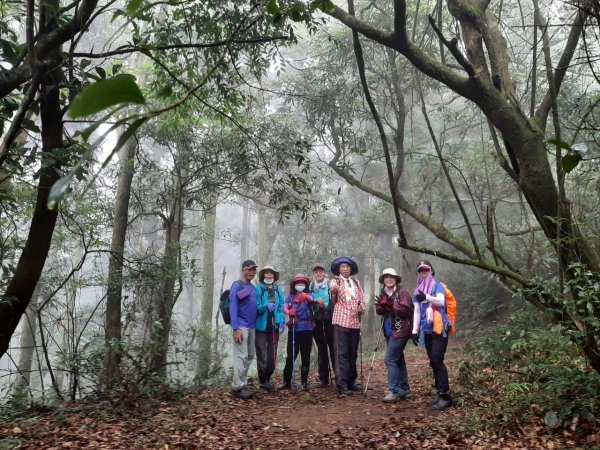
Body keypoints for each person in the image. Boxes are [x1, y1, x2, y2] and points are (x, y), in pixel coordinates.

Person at [411, 259, 453, 410]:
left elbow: (441, 302)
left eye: (426, 270)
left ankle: (446, 396)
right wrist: (415, 331)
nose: (423, 273)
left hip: (440, 329)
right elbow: (416, 311)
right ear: (418, 273)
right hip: (427, 331)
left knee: (437, 359)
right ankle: (440, 393)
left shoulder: (437, 286)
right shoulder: (417, 291)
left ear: (431, 271)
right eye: (421, 270)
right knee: (433, 361)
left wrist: (427, 297)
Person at [374, 268, 414, 402]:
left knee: (389, 359)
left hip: (401, 330)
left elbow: (406, 310)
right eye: (386, 277)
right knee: (398, 359)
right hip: (388, 330)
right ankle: (405, 389)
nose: (389, 279)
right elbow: (379, 311)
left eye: (392, 277)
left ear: (396, 279)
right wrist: (381, 307)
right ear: (383, 280)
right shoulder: (383, 293)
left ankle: (393, 391)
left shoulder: (402, 292)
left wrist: (392, 306)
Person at [329, 257, 366, 395]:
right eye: (342, 267)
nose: (345, 269)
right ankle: (342, 384)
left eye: (347, 267)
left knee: (352, 352)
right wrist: (335, 289)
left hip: (355, 322)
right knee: (341, 353)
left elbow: (362, 299)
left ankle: (351, 381)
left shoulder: (356, 283)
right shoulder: (335, 281)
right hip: (341, 321)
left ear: (351, 269)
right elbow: (332, 291)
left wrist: (362, 308)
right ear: (339, 269)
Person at [229, 259, 258, 399]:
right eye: (250, 269)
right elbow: (233, 307)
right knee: (241, 356)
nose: (252, 272)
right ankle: (237, 387)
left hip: (252, 326)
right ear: (244, 269)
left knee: (250, 356)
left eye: (254, 269)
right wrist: (236, 329)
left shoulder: (252, 287)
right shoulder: (237, 285)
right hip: (241, 326)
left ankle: (242, 382)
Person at [281, 274, 314, 391]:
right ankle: (286, 381)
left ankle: (304, 382)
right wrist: (289, 311)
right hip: (294, 329)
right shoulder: (290, 297)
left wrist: (305, 297)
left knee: (305, 356)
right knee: (291, 356)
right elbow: (284, 308)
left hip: (307, 329)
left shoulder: (309, 294)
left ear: (305, 285)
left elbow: (312, 301)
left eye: (302, 283)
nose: (300, 285)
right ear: (294, 285)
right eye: (297, 283)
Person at [255, 265, 286, 392]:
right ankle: (263, 382)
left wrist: (282, 320)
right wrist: (265, 306)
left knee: (272, 356)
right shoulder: (259, 289)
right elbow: (256, 307)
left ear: (274, 276)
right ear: (263, 276)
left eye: (271, 274)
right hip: (261, 328)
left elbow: (281, 306)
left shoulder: (278, 290)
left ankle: (267, 378)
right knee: (262, 355)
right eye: (266, 273)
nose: (269, 275)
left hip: (274, 327)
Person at [310, 263, 335, 388]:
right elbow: (308, 302)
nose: (318, 274)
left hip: (330, 321)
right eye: (316, 272)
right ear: (313, 274)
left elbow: (334, 300)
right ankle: (323, 378)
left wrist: (327, 310)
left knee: (334, 348)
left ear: (324, 273)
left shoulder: (331, 284)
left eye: (321, 271)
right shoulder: (311, 286)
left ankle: (339, 376)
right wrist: (315, 303)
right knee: (322, 350)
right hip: (317, 322)